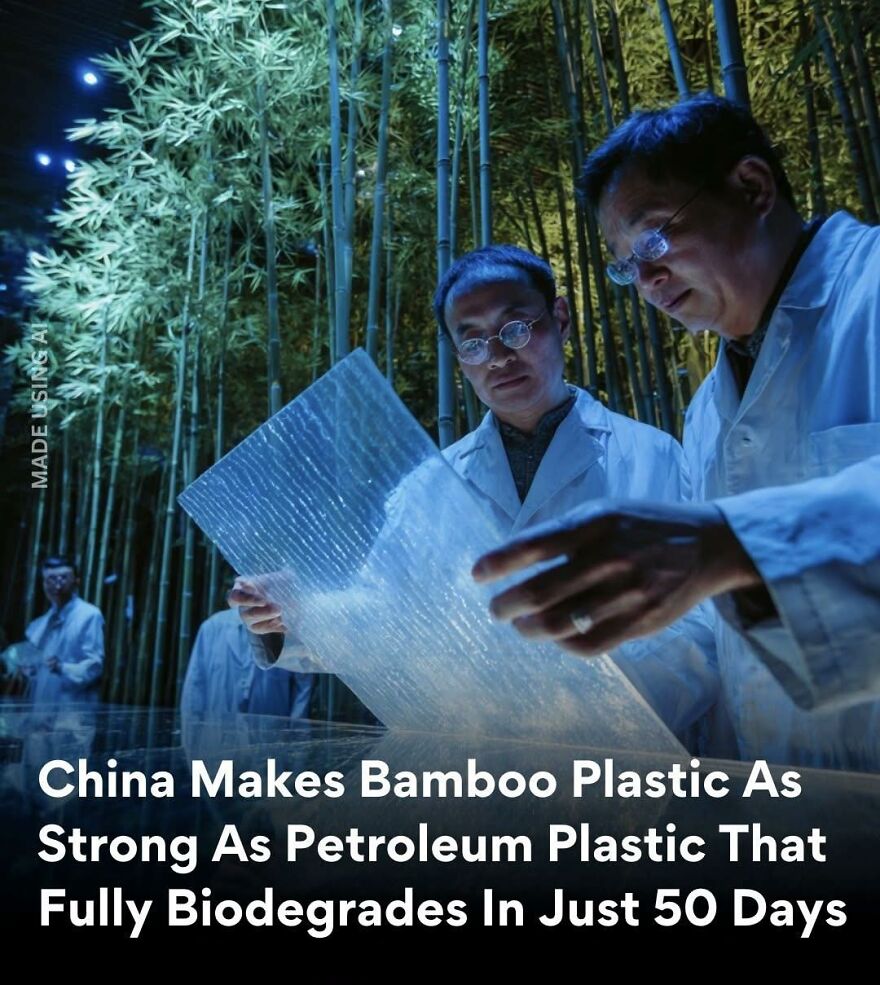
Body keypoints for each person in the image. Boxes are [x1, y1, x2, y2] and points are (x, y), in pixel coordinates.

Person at [473, 93, 880, 771]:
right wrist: (574, 704)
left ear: (752, 188)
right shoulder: (705, 415)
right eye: (626, 264)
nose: (647, 280)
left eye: (654, 237)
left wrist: (732, 544)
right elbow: (710, 628)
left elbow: (723, 556)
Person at [232, 244, 724, 750]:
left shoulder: (654, 456)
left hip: (617, 760)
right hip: (476, 762)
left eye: (516, 329)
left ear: (559, 318)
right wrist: (296, 611)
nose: (499, 357)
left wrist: (587, 702)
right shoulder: (428, 489)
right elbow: (385, 616)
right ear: (459, 359)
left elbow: (703, 624)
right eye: (473, 344)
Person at [181, 606, 313, 718]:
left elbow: (303, 685)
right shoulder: (211, 627)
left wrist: (296, 734)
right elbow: (195, 685)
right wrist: (191, 738)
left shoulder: (287, 628)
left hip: (272, 733)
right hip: (218, 732)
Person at [24, 556, 104, 705]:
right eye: (51, 579)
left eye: (63, 578)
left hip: (73, 707)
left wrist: (62, 667)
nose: (57, 586)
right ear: (43, 584)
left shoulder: (89, 615)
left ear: (76, 582)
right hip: (41, 707)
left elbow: (94, 667)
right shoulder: (38, 624)